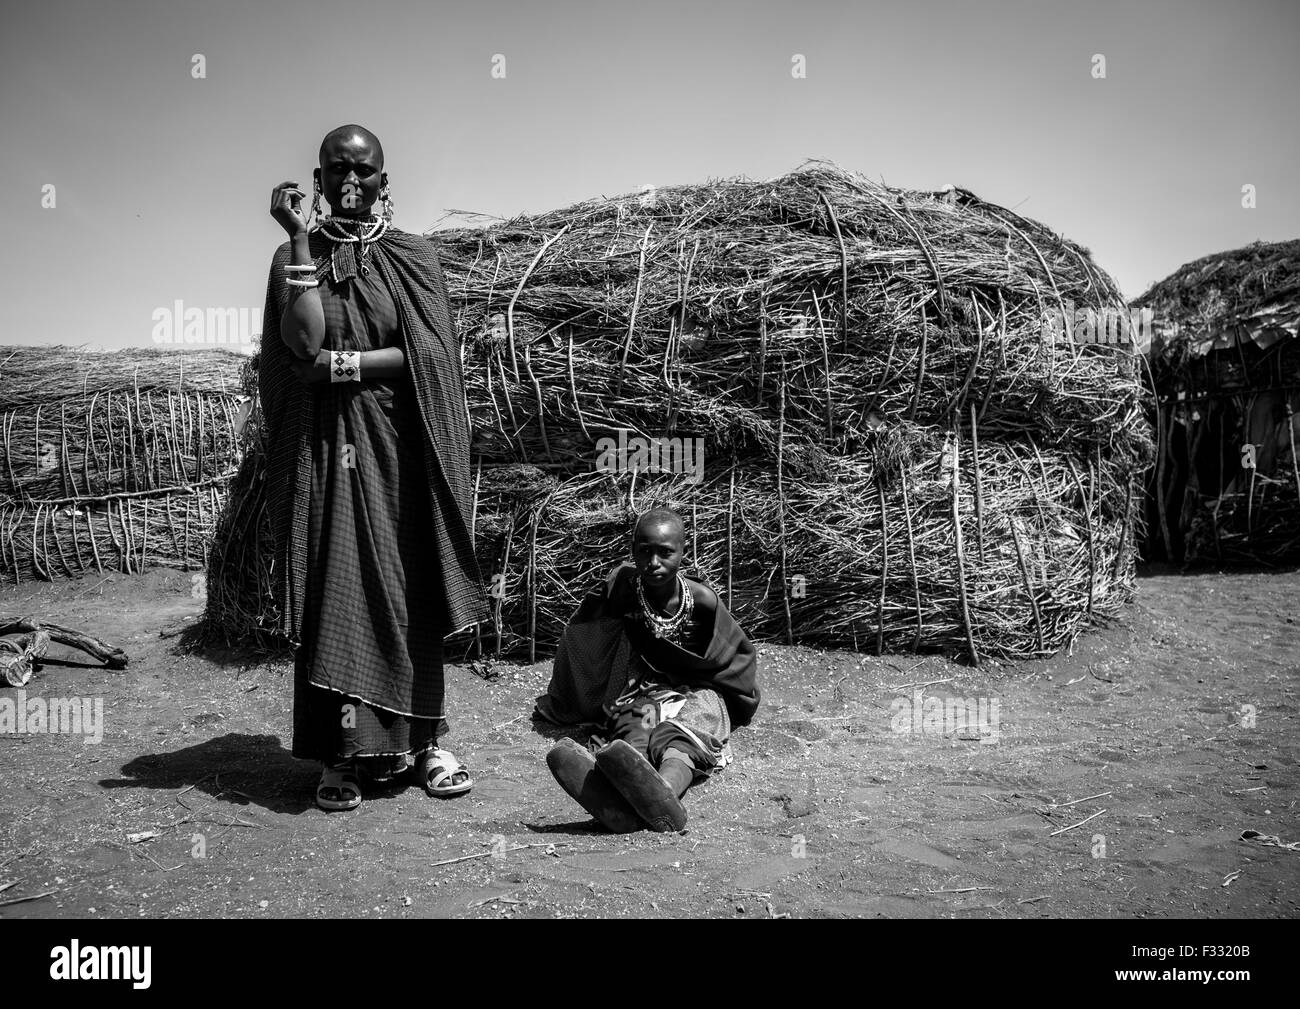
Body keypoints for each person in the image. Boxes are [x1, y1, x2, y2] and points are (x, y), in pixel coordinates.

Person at [259, 125, 488, 811]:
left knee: (407, 587)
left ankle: (426, 744)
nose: (350, 181)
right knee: (340, 590)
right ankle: (340, 758)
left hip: (398, 455)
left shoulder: (413, 258)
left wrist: (346, 365)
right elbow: (301, 341)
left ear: (384, 180)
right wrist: (300, 238)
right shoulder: (291, 256)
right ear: (319, 178)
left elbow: (433, 359)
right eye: (337, 169)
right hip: (328, 455)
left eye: (363, 170)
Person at [536, 507, 760, 832]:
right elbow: (585, 630)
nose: (654, 563)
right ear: (633, 551)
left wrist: (716, 692)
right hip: (645, 691)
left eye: (665, 553)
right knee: (635, 724)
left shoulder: (703, 602)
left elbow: (733, 661)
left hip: (699, 689)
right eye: (645, 552)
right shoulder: (624, 589)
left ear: (684, 552)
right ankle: (628, 798)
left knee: (693, 726)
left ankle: (664, 792)